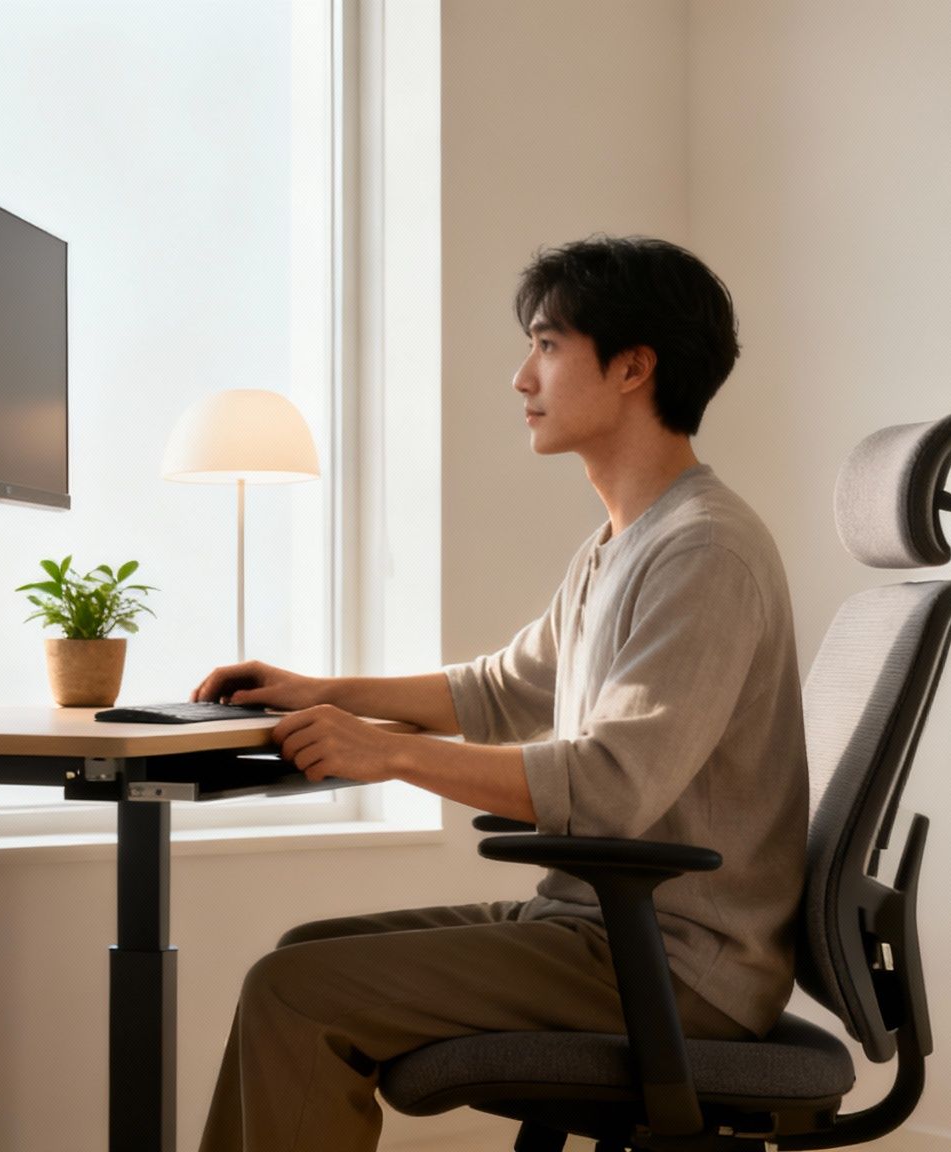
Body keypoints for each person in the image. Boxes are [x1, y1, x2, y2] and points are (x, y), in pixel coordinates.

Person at [190, 235, 809, 1152]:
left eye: (548, 345)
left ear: (634, 366)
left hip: (677, 965)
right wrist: (320, 690)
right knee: (303, 955)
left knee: (293, 996)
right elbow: (506, 686)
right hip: (605, 929)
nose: (523, 377)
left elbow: (610, 784)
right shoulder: (622, 541)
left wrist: (388, 753)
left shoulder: (704, 552)